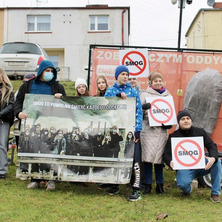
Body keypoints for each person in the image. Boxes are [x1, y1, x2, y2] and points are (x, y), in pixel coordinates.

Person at [14, 59, 66, 191]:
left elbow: (67, 106)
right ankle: (35, 178)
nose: (50, 74)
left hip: (50, 124)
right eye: (47, 71)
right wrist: (18, 113)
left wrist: (62, 98)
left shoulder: (58, 87)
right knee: (34, 150)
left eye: (52, 72)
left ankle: (51, 179)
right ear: (41, 71)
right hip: (32, 124)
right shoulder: (28, 85)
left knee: (50, 151)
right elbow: (19, 101)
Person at [163, 110, 221, 203]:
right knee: (182, 184)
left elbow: (211, 146)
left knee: (217, 162)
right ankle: (187, 191)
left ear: (191, 120)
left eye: (188, 118)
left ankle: (215, 193)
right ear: (179, 122)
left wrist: (213, 158)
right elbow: (166, 154)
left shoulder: (200, 132)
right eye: (183, 119)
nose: (186, 121)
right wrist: (170, 162)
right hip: (185, 168)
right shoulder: (173, 136)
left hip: (202, 165)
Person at [105, 65, 143, 201]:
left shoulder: (133, 92)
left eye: (127, 74)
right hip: (116, 131)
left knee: (135, 160)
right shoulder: (110, 91)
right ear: (117, 76)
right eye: (122, 74)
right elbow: (106, 105)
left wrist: (138, 131)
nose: (125, 77)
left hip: (131, 131)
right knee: (116, 157)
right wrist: (116, 97)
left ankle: (136, 189)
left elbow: (139, 111)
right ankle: (114, 185)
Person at [140, 72, 172, 194]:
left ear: (163, 82)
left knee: (160, 159)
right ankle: (147, 184)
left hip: (161, 132)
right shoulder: (145, 95)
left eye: (160, 80)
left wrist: (169, 123)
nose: (158, 83)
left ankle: (160, 185)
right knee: (147, 159)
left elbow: (170, 113)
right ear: (151, 83)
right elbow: (139, 114)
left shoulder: (168, 96)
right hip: (148, 130)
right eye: (155, 81)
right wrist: (144, 108)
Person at [0, 68, 14, 179]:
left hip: (3, 120)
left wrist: (1, 114)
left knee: (2, 145)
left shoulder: (8, 90)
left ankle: (2, 170)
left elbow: (11, 105)